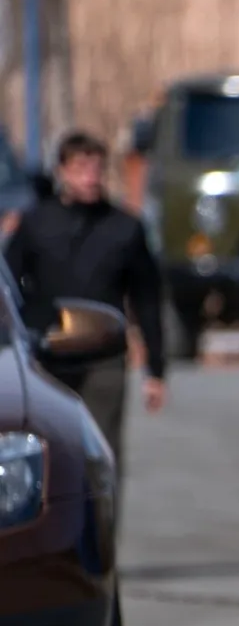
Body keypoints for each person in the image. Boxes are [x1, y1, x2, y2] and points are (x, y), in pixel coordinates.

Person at [6, 130, 167, 463]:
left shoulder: (125, 228)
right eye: (81, 168)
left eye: (96, 168)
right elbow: (8, 288)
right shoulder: (37, 224)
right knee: (48, 456)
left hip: (103, 357)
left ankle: (102, 516)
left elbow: (147, 297)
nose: (90, 177)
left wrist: (155, 369)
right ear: (62, 171)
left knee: (101, 455)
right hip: (45, 357)